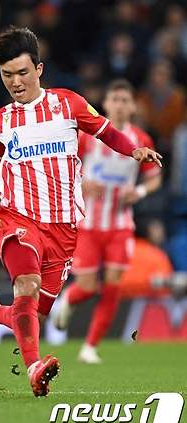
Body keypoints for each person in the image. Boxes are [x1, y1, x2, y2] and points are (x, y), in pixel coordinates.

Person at [0, 27, 162, 397]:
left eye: (22, 73)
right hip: (17, 219)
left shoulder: (68, 104)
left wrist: (133, 150)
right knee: (26, 285)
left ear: (39, 69)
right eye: (7, 75)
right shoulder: (2, 121)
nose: (16, 82)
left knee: (33, 314)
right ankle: (34, 368)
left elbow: (105, 131)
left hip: (64, 229)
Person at [52, 79, 161, 363]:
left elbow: (154, 178)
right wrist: (83, 183)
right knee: (87, 286)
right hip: (88, 225)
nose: (121, 105)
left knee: (113, 285)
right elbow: (65, 168)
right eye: (116, 100)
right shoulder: (88, 137)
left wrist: (137, 191)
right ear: (107, 104)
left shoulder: (142, 140)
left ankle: (90, 347)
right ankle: (68, 301)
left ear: (134, 106)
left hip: (120, 225)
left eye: (126, 100)